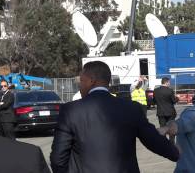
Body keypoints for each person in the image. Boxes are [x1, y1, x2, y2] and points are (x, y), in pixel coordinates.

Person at [50, 61, 179, 173]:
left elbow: (58, 158)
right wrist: (177, 153)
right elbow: (153, 140)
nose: (80, 85)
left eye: (82, 81)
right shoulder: (131, 108)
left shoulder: (70, 111)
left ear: (91, 80)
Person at [154, 77, 178, 143]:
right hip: (170, 112)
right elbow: (173, 101)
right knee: (171, 128)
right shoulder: (170, 90)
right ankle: (171, 143)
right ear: (166, 82)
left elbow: (154, 101)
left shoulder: (156, 90)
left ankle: (163, 143)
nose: (169, 83)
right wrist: (177, 98)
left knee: (162, 128)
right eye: (169, 82)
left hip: (160, 112)